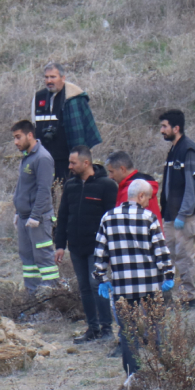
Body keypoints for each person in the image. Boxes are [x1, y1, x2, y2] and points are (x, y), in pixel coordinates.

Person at [93, 179, 175, 378]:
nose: (148, 202)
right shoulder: (149, 217)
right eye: (148, 197)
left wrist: (101, 278)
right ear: (140, 196)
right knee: (156, 328)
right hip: (150, 286)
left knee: (128, 333)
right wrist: (169, 275)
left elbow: (100, 252)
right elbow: (161, 251)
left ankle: (133, 376)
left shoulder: (108, 217)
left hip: (122, 287)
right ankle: (164, 371)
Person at [54, 146, 118, 343]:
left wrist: (110, 245)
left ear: (86, 163)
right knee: (84, 287)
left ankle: (107, 328)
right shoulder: (70, 186)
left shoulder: (107, 185)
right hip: (75, 245)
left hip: (97, 246)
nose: (70, 166)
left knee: (96, 283)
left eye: (73, 163)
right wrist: (60, 244)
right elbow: (63, 215)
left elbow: (111, 217)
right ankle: (93, 328)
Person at [158, 109, 195, 307]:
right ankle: (166, 296)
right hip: (170, 215)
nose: (161, 130)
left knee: (185, 257)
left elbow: (192, 185)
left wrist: (183, 213)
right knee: (166, 255)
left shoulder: (189, 150)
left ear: (176, 128)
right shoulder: (173, 149)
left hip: (184, 217)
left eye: (164, 126)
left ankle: (188, 298)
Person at [31, 63, 102, 180]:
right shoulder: (38, 97)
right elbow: (34, 126)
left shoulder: (74, 98)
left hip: (67, 159)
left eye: (53, 77)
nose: (49, 81)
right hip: (45, 157)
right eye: (46, 77)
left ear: (63, 78)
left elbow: (82, 130)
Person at [11, 121, 59, 293]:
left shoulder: (43, 158)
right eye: (14, 138)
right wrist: (18, 212)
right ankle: (31, 297)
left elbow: (44, 190)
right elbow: (23, 187)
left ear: (29, 135)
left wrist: (35, 216)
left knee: (43, 258)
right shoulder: (27, 156)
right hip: (25, 217)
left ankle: (52, 297)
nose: (16, 142)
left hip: (38, 220)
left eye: (18, 137)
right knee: (28, 259)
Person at [105, 151, 163, 225]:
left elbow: (124, 223)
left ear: (122, 169)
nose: (110, 176)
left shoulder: (130, 191)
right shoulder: (144, 185)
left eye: (111, 172)